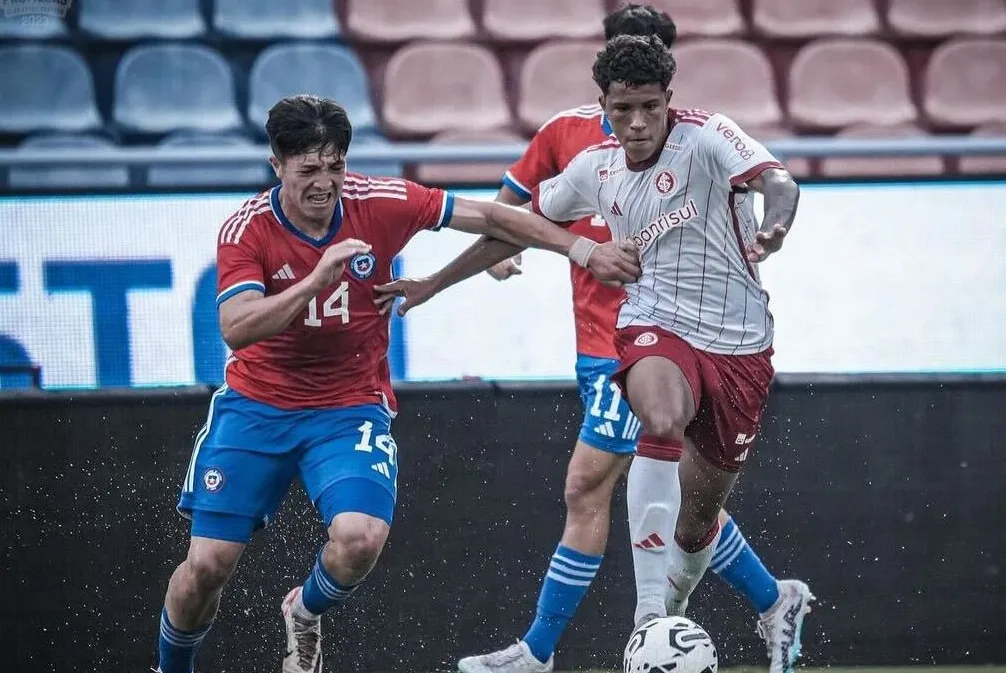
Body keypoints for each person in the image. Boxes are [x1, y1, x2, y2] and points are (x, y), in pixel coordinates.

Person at [375, 25, 811, 673]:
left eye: (649, 107)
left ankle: (768, 602)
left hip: (741, 345)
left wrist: (775, 224)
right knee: (649, 424)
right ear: (602, 106)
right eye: (622, 109)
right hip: (651, 326)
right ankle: (645, 620)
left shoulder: (710, 135)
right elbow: (511, 223)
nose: (637, 123)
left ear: (670, 97)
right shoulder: (590, 166)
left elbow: (779, 181)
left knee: (696, 525)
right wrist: (436, 283)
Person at [154, 94, 639, 673]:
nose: (324, 184)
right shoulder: (246, 229)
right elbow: (236, 329)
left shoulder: (380, 202)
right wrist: (317, 278)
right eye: (308, 170)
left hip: (349, 406)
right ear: (276, 164)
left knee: (359, 539)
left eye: (334, 167)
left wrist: (582, 248)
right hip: (257, 406)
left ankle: (304, 613)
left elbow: (491, 216)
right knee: (206, 567)